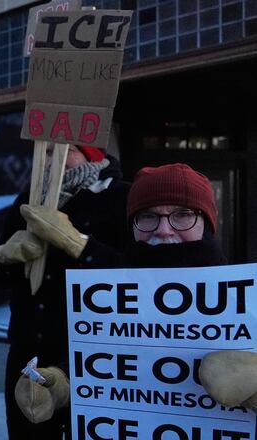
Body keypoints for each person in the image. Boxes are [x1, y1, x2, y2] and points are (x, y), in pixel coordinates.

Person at [13, 163, 230, 428]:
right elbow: (106, 360)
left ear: (207, 222)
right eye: (148, 216)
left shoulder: (242, 298)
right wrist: (63, 384)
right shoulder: (113, 289)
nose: (164, 230)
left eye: (183, 214)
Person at [0, 144, 131, 438]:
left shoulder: (121, 197)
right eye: (48, 152)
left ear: (90, 153)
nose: (54, 160)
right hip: (28, 355)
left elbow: (135, 278)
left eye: (66, 150)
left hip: (94, 358)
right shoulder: (25, 201)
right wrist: (4, 258)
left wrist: (80, 245)